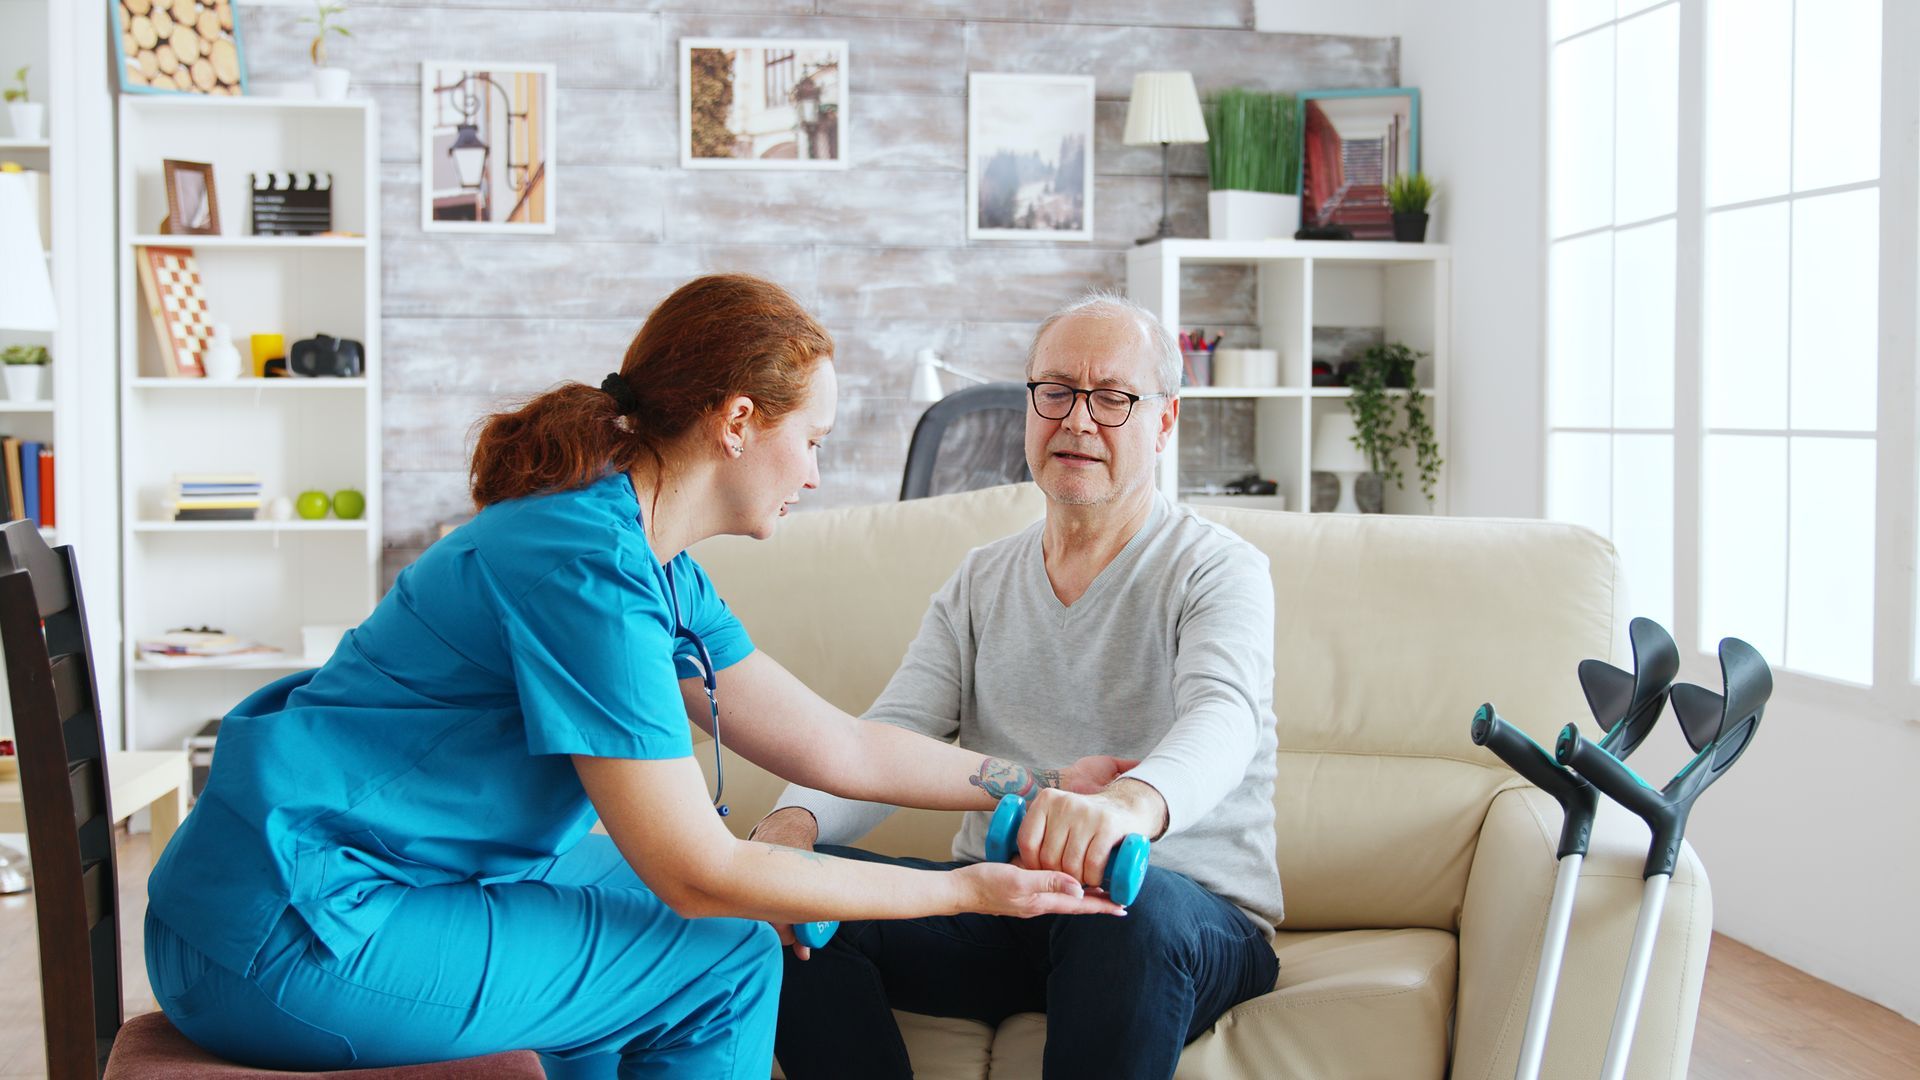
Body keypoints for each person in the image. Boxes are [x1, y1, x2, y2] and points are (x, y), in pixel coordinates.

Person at [142, 274, 1130, 1080]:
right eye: (814, 442)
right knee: (729, 956)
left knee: (674, 912)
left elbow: (839, 745)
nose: (818, 475)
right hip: (284, 935)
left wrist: (1030, 786)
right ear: (740, 421)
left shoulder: (648, 563)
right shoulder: (587, 572)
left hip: (310, 886)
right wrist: (968, 894)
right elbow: (699, 876)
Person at [756, 294, 1284, 1080]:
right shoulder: (981, 579)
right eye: (1057, 391)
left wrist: (1123, 809)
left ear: (1165, 421)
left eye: (1113, 399)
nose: (1077, 420)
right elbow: (884, 737)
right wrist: (788, 832)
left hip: (1176, 910)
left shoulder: (1216, 568)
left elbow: (1225, 717)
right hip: (1004, 906)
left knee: (1122, 919)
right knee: (794, 908)